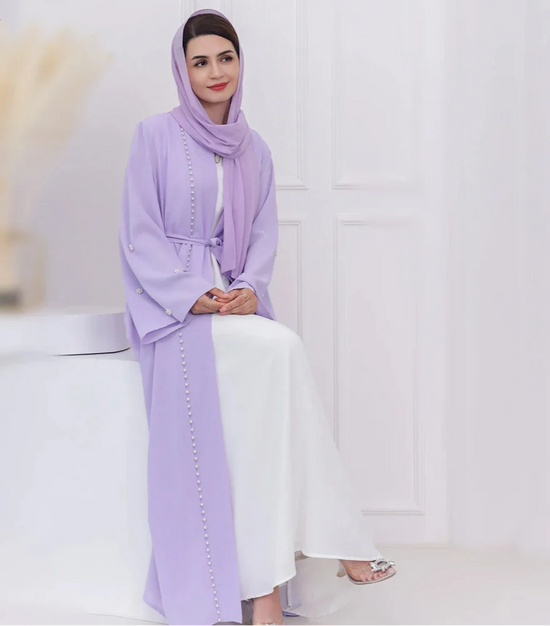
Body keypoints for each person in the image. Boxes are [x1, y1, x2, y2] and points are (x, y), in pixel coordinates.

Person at [118, 8, 396, 626]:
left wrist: (247, 287)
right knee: (284, 351)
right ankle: (335, 544)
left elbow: (263, 236)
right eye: (200, 62)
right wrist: (189, 294)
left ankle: (268, 589)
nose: (215, 72)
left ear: (241, 63)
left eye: (226, 57)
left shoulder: (254, 149)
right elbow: (138, 233)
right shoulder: (154, 136)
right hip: (175, 312)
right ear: (182, 71)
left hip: (232, 307)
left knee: (267, 402)